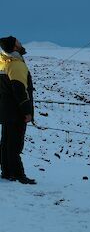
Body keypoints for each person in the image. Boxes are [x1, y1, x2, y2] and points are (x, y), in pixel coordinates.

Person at [0, 36, 36, 185]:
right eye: (18, 42)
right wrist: (27, 112)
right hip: (16, 112)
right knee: (15, 145)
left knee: (6, 143)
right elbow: (20, 91)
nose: (21, 44)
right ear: (14, 48)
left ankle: (7, 172)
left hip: (5, 110)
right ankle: (19, 174)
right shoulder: (17, 65)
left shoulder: (3, 62)